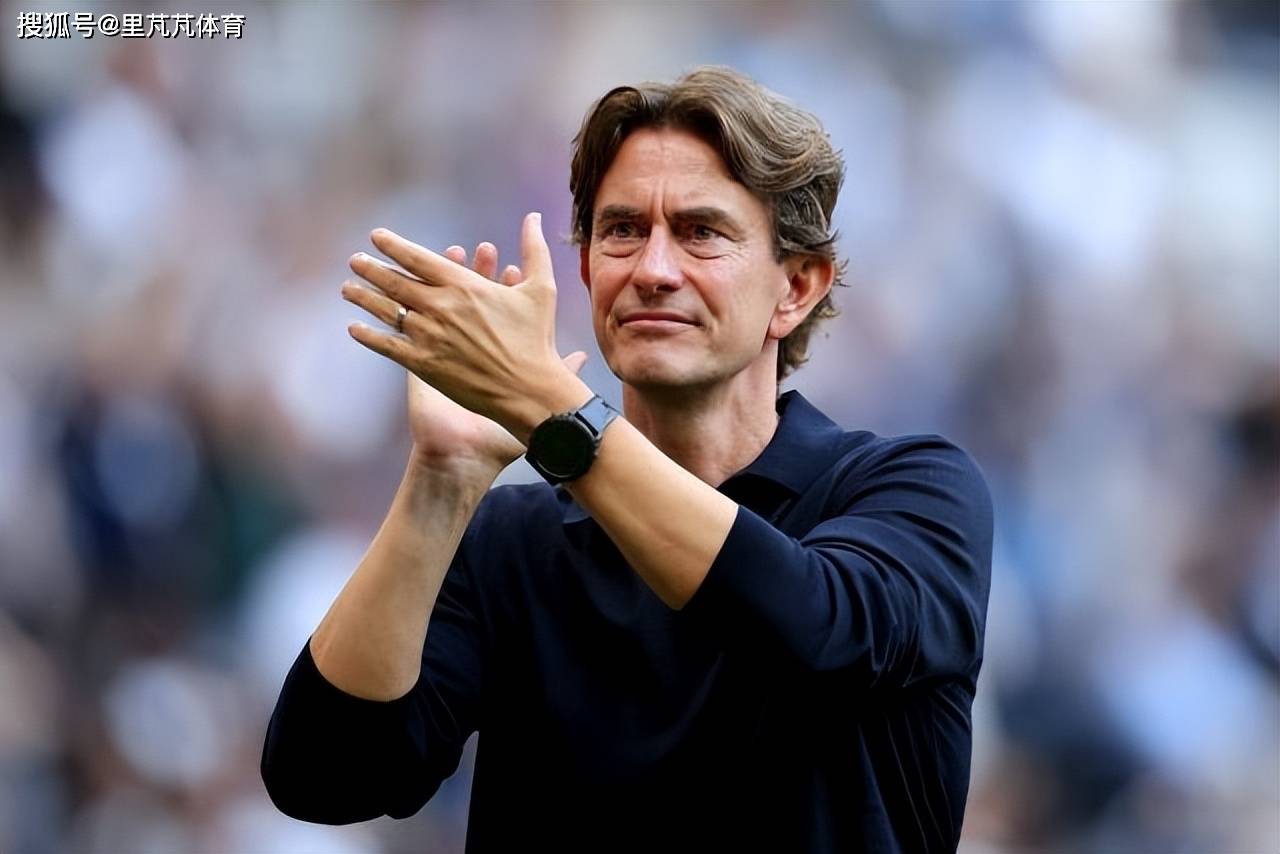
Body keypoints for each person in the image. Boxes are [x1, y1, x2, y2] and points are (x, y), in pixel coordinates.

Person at [261, 65, 992, 853]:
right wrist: (442, 479)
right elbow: (323, 775)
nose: (652, 269)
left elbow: (815, 631)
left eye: (701, 232)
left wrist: (552, 412)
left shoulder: (911, 492)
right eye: (621, 231)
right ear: (586, 271)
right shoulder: (513, 541)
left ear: (796, 287)